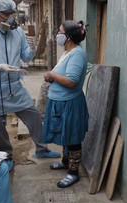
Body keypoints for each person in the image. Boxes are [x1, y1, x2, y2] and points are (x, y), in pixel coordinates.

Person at [0, 0, 60, 159]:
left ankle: (42, 149)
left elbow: (25, 56)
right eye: (6, 14)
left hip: (14, 87)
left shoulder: (17, 32)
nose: (10, 18)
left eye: (12, 13)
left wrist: (32, 48)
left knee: (33, 115)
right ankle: (6, 155)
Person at [42, 20, 89, 188]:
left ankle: (74, 172)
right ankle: (65, 161)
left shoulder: (77, 54)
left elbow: (71, 81)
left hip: (69, 104)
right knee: (64, 134)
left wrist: (52, 76)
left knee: (73, 137)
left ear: (68, 37)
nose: (58, 35)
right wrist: (51, 75)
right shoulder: (67, 52)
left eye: (60, 32)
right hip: (60, 102)